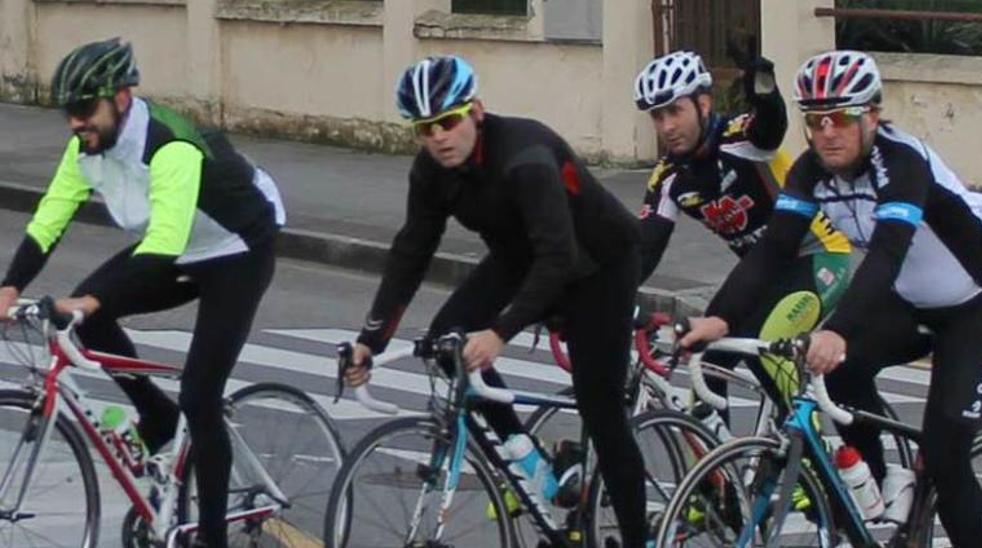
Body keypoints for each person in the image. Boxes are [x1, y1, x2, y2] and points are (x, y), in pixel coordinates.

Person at [680, 50, 982, 547]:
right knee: (836, 374)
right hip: (911, 299)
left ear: (872, 116)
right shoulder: (810, 170)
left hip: (980, 303)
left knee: (947, 457)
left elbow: (886, 254)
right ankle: (881, 493)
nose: (827, 133)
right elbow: (775, 247)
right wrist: (720, 319)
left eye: (841, 118)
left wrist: (837, 330)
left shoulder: (902, 162)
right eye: (815, 122)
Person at [342, 55, 649, 547]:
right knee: (448, 342)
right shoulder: (431, 171)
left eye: (447, 121)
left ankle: (639, 540)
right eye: (425, 129)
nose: (439, 137)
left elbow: (559, 257)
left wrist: (500, 331)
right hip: (519, 256)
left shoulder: (524, 157)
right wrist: (370, 340)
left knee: (601, 409)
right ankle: (533, 460)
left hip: (597, 264)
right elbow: (411, 251)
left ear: (476, 111)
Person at [0, 38, 285, 547]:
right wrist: (9, 286)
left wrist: (89, 301)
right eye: (68, 111)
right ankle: (157, 414)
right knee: (88, 320)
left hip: (238, 249)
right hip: (180, 250)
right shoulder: (85, 149)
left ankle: (212, 538)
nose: (75, 123)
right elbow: (50, 219)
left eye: (85, 109)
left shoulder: (169, 146)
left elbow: (162, 245)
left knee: (200, 394)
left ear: (121, 98)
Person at [633, 46, 851, 412]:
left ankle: (810, 455)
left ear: (703, 104)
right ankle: (717, 466)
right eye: (657, 116)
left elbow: (770, 126)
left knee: (765, 347)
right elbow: (645, 249)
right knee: (707, 359)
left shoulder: (740, 139)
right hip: (762, 272)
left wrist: (764, 93)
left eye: (675, 111)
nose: (667, 126)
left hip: (818, 257)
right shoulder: (669, 178)